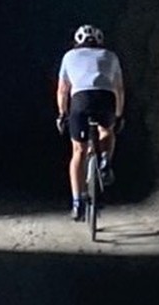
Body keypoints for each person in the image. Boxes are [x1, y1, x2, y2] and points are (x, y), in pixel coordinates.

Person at [56, 24, 125, 221]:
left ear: (77, 41)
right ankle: (104, 161)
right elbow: (119, 88)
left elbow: (62, 90)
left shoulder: (69, 57)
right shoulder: (110, 56)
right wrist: (119, 115)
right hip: (105, 98)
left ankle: (77, 203)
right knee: (107, 131)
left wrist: (62, 114)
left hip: (81, 100)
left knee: (78, 151)